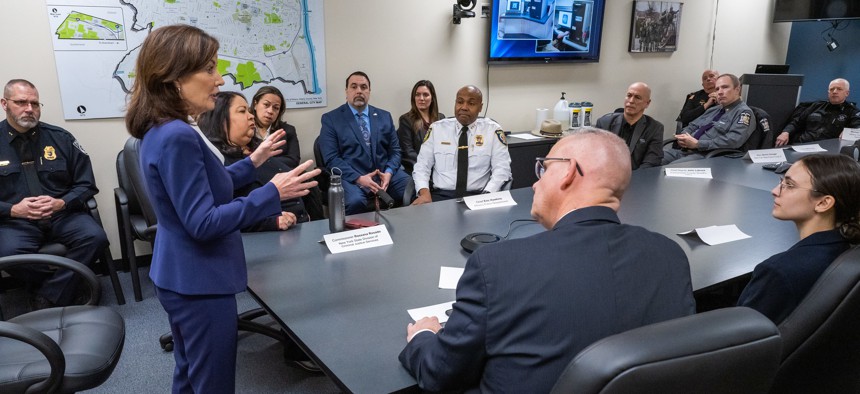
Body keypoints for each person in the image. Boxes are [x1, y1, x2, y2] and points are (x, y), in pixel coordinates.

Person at [400, 129, 696, 393]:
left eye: (543, 169)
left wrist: (423, 336)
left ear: (567, 173)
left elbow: (440, 373)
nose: (535, 184)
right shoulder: (669, 255)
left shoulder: (498, 266)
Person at [124, 24, 319, 393]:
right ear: (175, 77)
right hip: (199, 281)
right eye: (210, 69)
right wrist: (271, 192)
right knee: (212, 383)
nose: (220, 78)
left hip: (178, 273)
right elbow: (204, 221)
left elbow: (203, 186)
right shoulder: (179, 134)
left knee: (189, 373)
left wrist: (254, 161)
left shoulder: (163, 127)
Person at [0, 79, 108, 309]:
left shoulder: (61, 138)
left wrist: (62, 202)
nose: (30, 109)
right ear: (4, 103)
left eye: (35, 103)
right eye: (21, 102)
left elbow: (86, 184)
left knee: (95, 238)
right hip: (16, 221)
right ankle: (63, 288)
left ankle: (47, 296)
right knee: (7, 252)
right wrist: (12, 209)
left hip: (63, 215)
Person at [737, 154, 860, 324]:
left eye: (789, 185)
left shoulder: (779, 272)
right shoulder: (849, 249)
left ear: (823, 203)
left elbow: (740, 336)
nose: (774, 191)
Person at [200, 91, 308, 229]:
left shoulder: (260, 150)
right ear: (221, 119)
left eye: (249, 111)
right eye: (242, 111)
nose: (251, 116)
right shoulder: (215, 158)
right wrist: (270, 222)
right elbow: (221, 216)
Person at [319, 71, 411, 214]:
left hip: (384, 173)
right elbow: (331, 159)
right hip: (352, 176)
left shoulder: (384, 116)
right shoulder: (331, 119)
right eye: (354, 87)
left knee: (413, 188)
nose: (359, 91)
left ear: (369, 91)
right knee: (355, 202)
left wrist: (389, 172)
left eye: (363, 87)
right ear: (346, 91)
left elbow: (395, 151)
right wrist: (359, 178)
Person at [411, 85, 512, 204]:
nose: (464, 107)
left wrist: (487, 196)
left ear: (480, 107)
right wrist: (424, 193)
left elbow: (502, 170)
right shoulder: (437, 129)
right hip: (441, 196)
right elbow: (422, 166)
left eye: (471, 103)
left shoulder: (492, 131)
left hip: (479, 196)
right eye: (460, 102)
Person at [663, 73, 755, 164]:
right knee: (652, 158)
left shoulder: (743, 113)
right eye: (717, 88)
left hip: (708, 156)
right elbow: (692, 126)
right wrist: (683, 137)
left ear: (737, 90)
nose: (720, 92)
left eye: (725, 87)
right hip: (685, 151)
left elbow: (734, 140)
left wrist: (698, 144)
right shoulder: (714, 110)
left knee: (673, 168)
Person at [594, 82, 664, 169]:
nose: (631, 101)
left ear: (647, 103)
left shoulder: (655, 128)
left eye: (637, 97)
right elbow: (594, 156)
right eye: (629, 95)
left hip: (637, 177)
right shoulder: (604, 123)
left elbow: (652, 162)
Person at [775, 78, 860, 146]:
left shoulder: (852, 111)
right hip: (802, 145)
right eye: (832, 89)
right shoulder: (816, 106)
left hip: (828, 150)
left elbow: (857, 129)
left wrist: (848, 132)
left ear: (847, 93)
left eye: (839, 89)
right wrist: (785, 132)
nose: (834, 92)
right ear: (828, 92)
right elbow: (797, 122)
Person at [396, 80, 444, 174]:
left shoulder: (441, 118)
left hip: (439, 170)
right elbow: (408, 152)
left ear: (432, 98)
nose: (421, 98)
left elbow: (444, 147)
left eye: (425, 95)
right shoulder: (406, 120)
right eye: (417, 95)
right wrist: (427, 166)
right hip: (417, 169)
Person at [249, 86, 300, 168]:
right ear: (255, 104)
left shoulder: (287, 130)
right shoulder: (245, 128)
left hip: (281, 174)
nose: (270, 111)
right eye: (266, 105)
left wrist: (261, 160)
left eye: (276, 108)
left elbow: (293, 160)